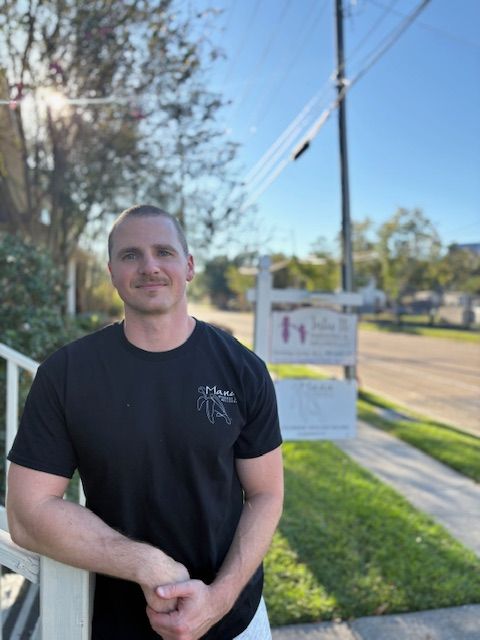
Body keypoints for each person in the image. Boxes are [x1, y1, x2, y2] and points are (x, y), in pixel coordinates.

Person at [7, 204, 284, 640]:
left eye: (164, 252)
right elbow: (27, 514)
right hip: (116, 624)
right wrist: (146, 564)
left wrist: (218, 601)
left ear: (189, 266)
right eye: (131, 255)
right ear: (112, 272)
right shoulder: (66, 374)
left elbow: (266, 495)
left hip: (235, 620)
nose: (149, 266)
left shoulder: (242, 370)